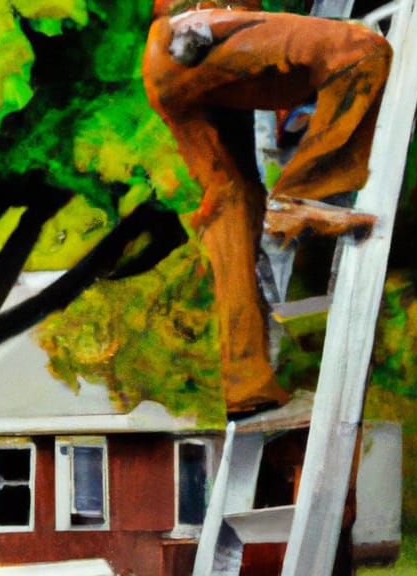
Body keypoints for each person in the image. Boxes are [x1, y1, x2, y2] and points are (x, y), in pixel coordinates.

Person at [143, 0, 392, 412]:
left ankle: (245, 380)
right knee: (361, 50)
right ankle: (304, 195)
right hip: (201, 35)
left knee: (234, 199)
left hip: (175, 58)